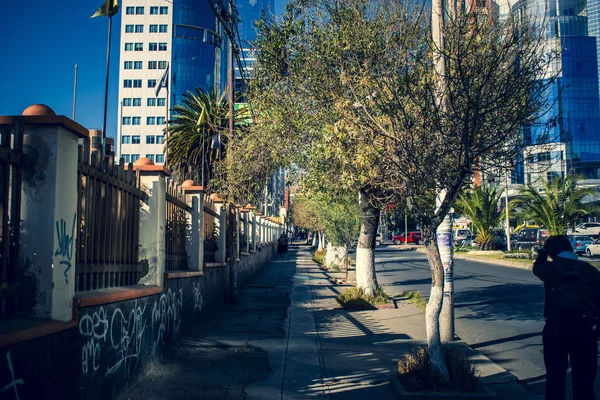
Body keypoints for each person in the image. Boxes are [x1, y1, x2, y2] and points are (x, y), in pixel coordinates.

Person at [533, 235, 600, 400]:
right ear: (570, 248)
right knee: (584, 383)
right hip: (585, 331)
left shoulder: (549, 269)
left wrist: (543, 252)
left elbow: (536, 267)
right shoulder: (589, 270)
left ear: (551, 252)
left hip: (555, 330)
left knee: (555, 380)